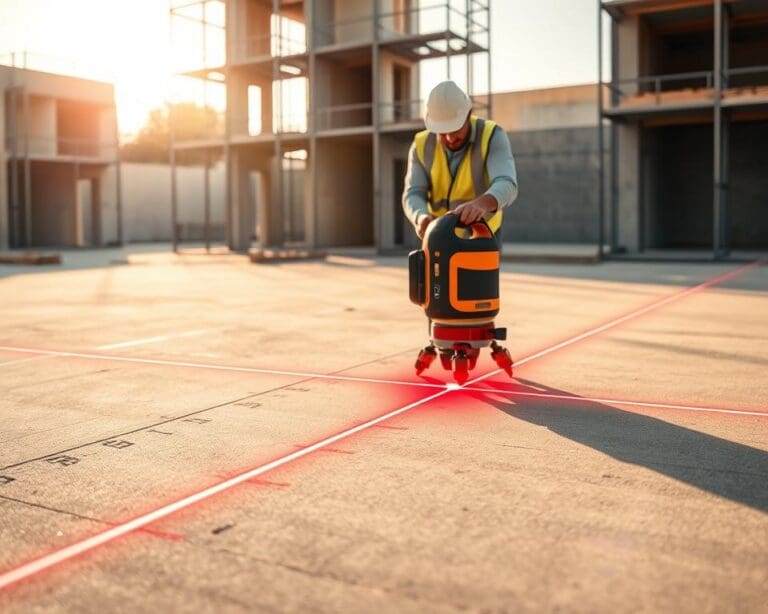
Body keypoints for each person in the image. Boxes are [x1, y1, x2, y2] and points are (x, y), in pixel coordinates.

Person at [402, 80, 518, 239]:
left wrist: (480, 204)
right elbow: (413, 193)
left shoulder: (492, 135)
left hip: (482, 236)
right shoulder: (421, 145)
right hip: (438, 235)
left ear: (468, 115)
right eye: (442, 132)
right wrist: (420, 217)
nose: (450, 138)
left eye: (455, 128)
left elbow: (507, 183)